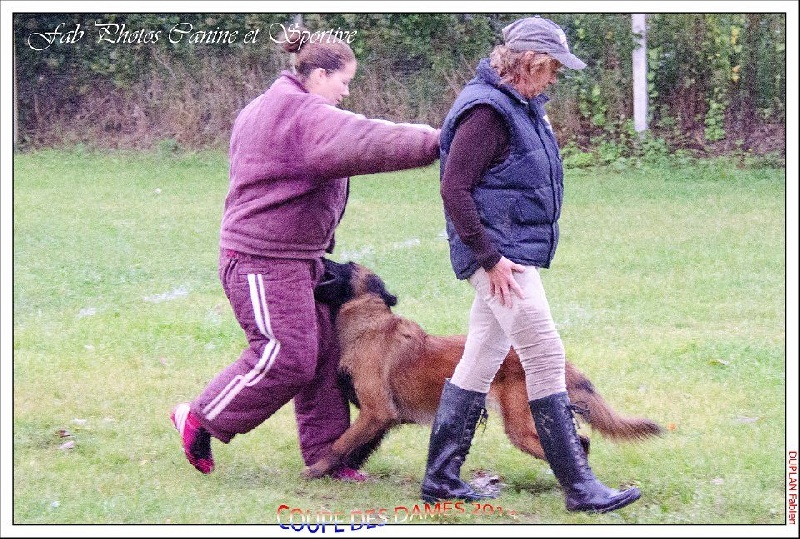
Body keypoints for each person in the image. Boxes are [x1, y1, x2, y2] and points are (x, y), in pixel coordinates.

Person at [171, 27, 440, 481]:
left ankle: (327, 457)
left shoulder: (281, 106)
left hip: (294, 259)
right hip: (260, 260)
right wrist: (441, 140)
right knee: (287, 355)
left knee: (321, 355)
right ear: (318, 74)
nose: (346, 91)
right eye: (344, 81)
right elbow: (371, 139)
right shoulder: (297, 114)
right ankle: (200, 417)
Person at [421, 16, 642, 513]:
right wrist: (489, 258)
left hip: (510, 252)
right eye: (553, 69)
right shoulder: (488, 112)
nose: (556, 78)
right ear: (531, 63)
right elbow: (453, 187)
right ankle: (581, 488)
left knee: (480, 356)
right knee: (544, 353)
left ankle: (440, 479)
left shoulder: (521, 104)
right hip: (498, 257)